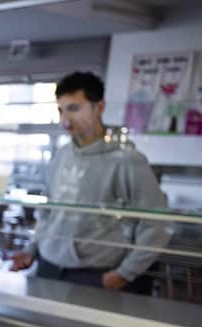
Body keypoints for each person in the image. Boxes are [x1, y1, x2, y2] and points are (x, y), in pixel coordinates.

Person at [10, 71, 172, 294]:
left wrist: (126, 273)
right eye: (61, 110)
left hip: (95, 274)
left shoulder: (127, 160)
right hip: (48, 266)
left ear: (99, 107)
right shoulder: (62, 155)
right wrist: (32, 249)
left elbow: (157, 223)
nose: (65, 119)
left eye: (75, 108)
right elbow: (48, 213)